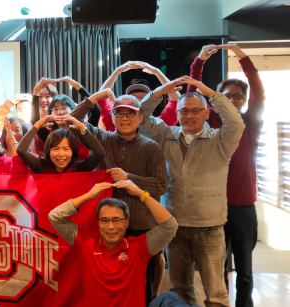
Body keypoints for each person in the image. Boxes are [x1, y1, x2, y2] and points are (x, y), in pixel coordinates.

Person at [139, 76, 245, 307]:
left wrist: (211, 93)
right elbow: (141, 116)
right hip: (174, 227)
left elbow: (236, 123)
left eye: (196, 110)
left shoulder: (220, 140)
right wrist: (158, 92)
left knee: (216, 295)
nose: (189, 116)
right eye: (184, 111)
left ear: (207, 113)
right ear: (177, 113)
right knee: (180, 292)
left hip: (209, 227)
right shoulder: (166, 135)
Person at [67, 88, 170, 305]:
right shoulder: (102, 138)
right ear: (112, 116)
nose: (124, 118)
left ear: (140, 117)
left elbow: (161, 185)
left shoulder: (152, 148)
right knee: (106, 282)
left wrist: (129, 179)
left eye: (130, 113)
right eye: (119, 113)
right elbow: (72, 121)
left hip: (141, 228)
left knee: (142, 284)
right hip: (107, 227)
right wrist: (93, 98)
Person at [187, 44, 265, 307]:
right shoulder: (209, 124)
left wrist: (241, 55)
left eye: (237, 96)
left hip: (243, 208)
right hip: (212, 206)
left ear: (243, 101)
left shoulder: (250, 122)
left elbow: (257, 89)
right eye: (226, 95)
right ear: (215, 98)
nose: (232, 99)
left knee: (244, 271)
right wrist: (199, 61)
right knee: (215, 269)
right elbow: (191, 93)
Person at [48, 180, 178, 307]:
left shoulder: (140, 246)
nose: (110, 227)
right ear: (98, 222)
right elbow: (55, 217)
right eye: (104, 220)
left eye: (116, 220)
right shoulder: (85, 242)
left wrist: (140, 194)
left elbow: (170, 226)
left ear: (127, 222)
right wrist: (89, 195)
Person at [71, 61, 180, 132]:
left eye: (143, 97)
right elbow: (102, 99)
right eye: (134, 97)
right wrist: (117, 71)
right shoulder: (115, 122)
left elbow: (178, 103)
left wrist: (157, 72)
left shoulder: (158, 125)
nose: (139, 101)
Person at [16, 114, 105, 174]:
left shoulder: (78, 168)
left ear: (72, 151)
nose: (61, 154)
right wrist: (36, 126)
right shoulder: (41, 167)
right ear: (48, 151)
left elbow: (99, 154)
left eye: (66, 149)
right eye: (56, 149)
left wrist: (84, 129)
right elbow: (21, 150)